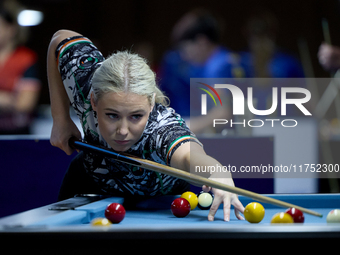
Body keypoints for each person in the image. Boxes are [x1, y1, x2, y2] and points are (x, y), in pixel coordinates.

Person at [47, 29, 244, 222]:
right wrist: (61, 119)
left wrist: (218, 173)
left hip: (161, 200)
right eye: (112, 115)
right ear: (94, 100)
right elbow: (59, 38)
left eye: (135, 116)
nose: (123, 131)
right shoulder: (85, 84)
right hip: (90, 183)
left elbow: (188, 157)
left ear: (150, 104)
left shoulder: (162, 128)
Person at [0, 4, 41, 134]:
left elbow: (25, 104)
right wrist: (6, 99)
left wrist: (13, 102)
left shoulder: (26, 59)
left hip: (16, 133)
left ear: (10, 29)